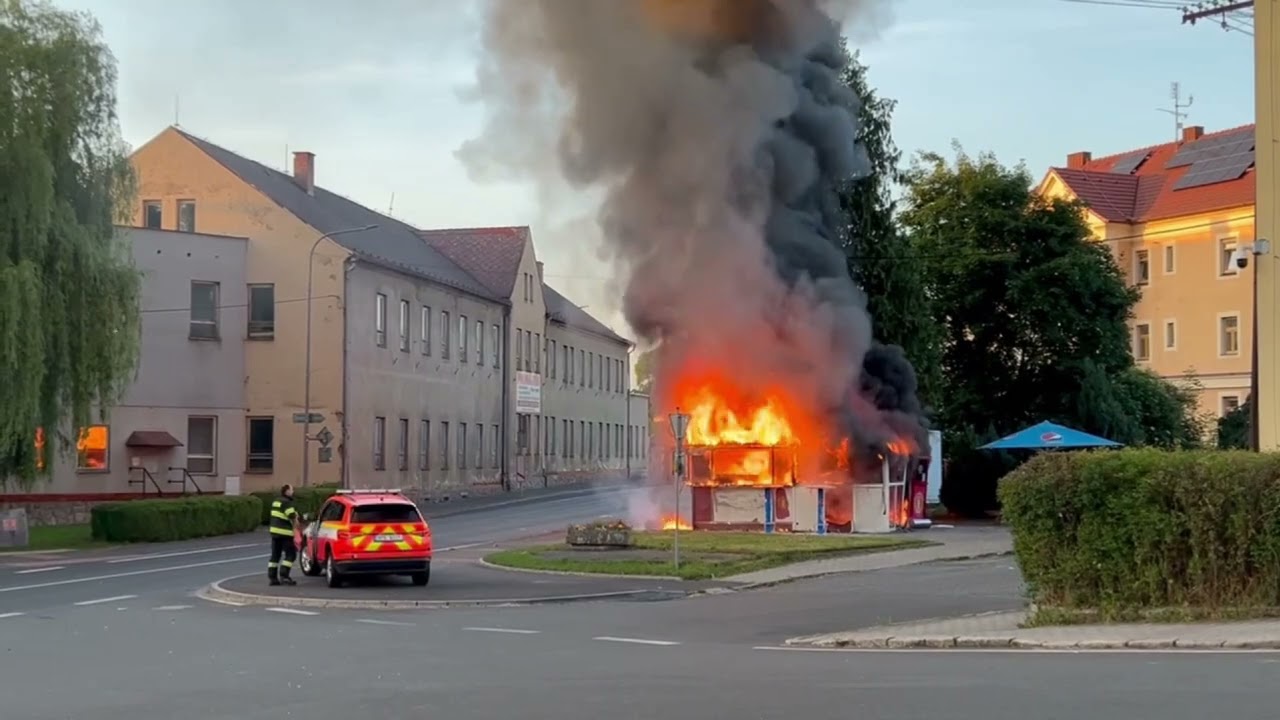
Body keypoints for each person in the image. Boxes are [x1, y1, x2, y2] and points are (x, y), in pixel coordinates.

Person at [267, 484, 300, 586]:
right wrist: (297, 519)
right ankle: (284, 575)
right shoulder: (287, 502)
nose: (293, 491)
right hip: (285, 533)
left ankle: (272, 578)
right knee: (291, 554)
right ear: (287, 491)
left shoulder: (276, 501)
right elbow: (291, 515)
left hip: (274, 532)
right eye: (291, 490)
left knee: (275, 555)